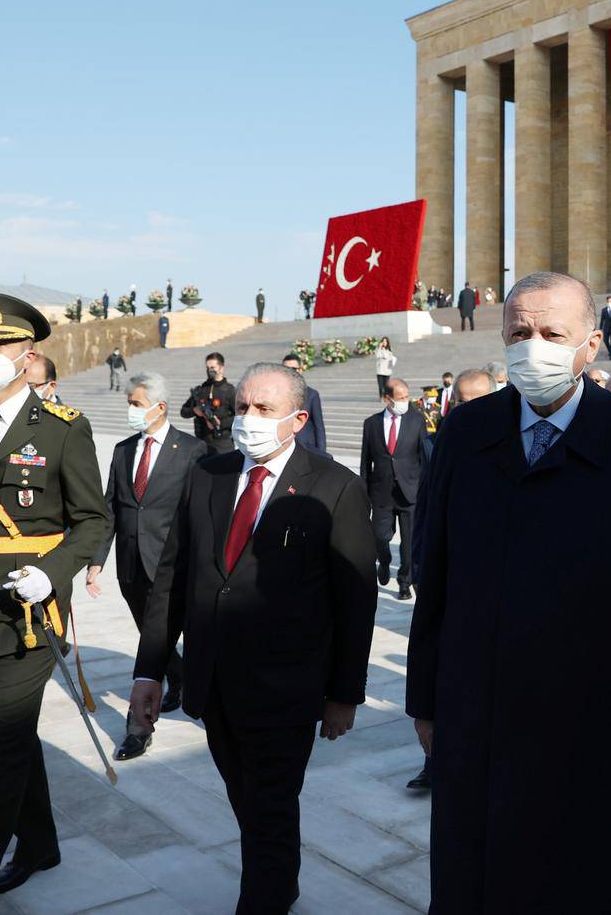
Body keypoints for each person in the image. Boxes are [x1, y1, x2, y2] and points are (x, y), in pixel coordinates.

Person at [406, 271, 611, 912]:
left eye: (551, 333)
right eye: (519, 332)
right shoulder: (464, 433)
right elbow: (437, 575)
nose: (531, 345)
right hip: (478, 720)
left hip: (595, 732)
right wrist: (425, 699)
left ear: (590, 346)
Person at [129, 363, 377, 914]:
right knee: (247, 800)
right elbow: (171, 579)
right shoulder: (208, 474)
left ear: (298, 418)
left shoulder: (336, 487)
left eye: (264, 409)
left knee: (268, 805)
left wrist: (344, 695)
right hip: (214, 684)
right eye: (242, 407)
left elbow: (355, 602)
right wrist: (149, 671)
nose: (248, 419)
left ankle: (263, 897)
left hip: (286, 689)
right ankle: (278, 879)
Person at [0, 294, 110, 912]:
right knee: (6, 735)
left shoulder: (63, 428)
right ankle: (40, 843)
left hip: (29, 619)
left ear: (27, 354)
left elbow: (93, 520)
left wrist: (54, 571)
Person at [90, 370, 207, 761]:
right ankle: (179, 677)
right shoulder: (124, 450)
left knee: (158, 642)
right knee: (151, 634)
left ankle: (140, 726)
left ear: (159, 407)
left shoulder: (191, 451)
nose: (131, 411)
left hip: (175, 567)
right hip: (131, 564)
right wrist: (96, 561)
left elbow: (201, 513)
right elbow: (111, 508)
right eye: (129, 403)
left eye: (136, 404)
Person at [404, 368, 494, 791]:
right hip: (450, 590)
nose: (469, 407)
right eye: (462, 400)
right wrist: (421, 566)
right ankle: (433, 762)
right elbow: (427, 511)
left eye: (479, 399)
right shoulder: (441, 444)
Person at [361, 376, 424, 599]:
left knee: (409, 545)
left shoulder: (417, 421)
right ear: (388, 399)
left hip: (410, 492)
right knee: (380, 536)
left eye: (407, 397)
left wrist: (424, 490)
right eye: (400, 398)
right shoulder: (371, 424)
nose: (405, 401)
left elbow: (423, 458)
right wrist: (364, 494)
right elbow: (365, 462)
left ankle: (404, 582)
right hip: (381, 493)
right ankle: (384, 561)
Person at [182, 352, 237, 453]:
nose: (209, 370)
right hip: (202, 443)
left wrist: (220, 423)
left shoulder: (229, 391)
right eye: (207, 367)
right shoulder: (200, 390)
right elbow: (183, 412)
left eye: (212, 367)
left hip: (223, 444)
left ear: (221, 368)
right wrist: (194, 411)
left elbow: (240, 416)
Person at [282, 352, 328, 455]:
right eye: (286, 369)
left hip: (306, 450)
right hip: (282, 450)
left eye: (293, 369)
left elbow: (319, 427)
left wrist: (322, 454)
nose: (290, 372)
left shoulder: (312, 395)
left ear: (300, 370)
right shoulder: (276, 394)